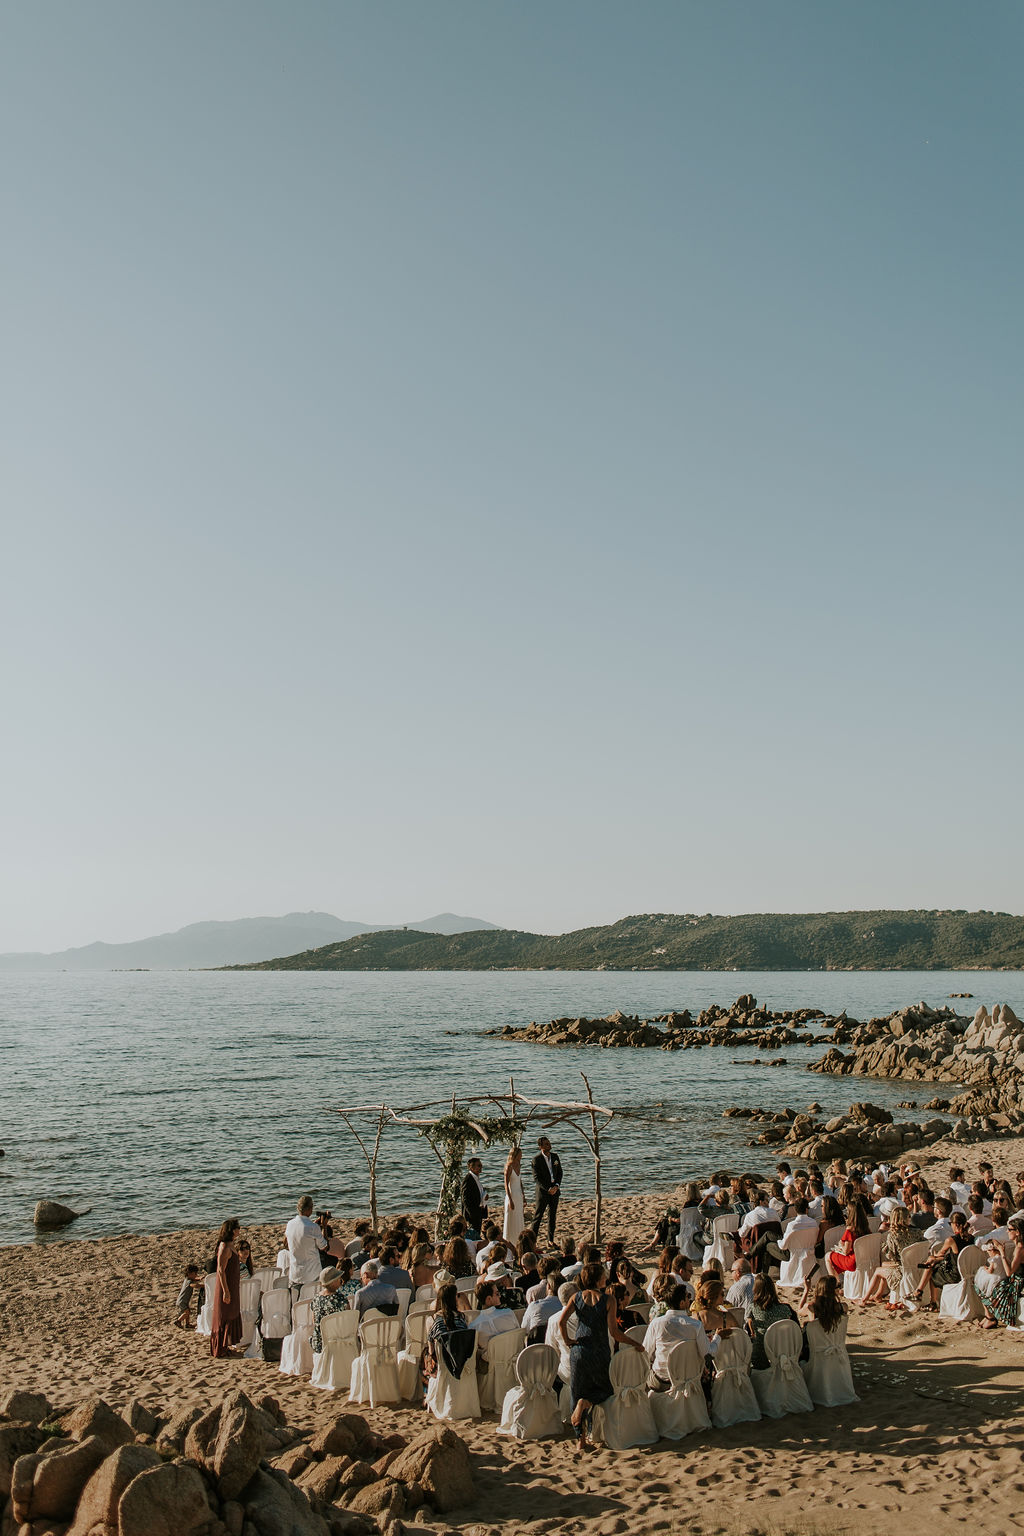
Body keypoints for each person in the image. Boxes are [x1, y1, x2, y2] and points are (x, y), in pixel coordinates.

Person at [558, 1261, 644, 1456]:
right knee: (604, 1390)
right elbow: (615, 1333)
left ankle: (580, 1440)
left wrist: (568, 1341)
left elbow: (562, 1322)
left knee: (577, 1390)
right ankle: (585, 1404)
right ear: (598, 1279)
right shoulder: (608, 1300)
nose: (607, 1277)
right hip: (599, 1350)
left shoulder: (576, 1297)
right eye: (604, 1275)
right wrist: (634, 1343)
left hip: (579, 1350)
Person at [643, 1283, 712, 1385]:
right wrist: (718, 1338)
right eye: (688, 1296)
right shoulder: (696, 1325)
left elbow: (645, 1352)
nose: (690, 1299)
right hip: (689, 1380)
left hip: (661, 1380)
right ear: (682, 1303)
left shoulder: (656, 1323)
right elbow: (706, 1353)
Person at [858, 1203, 917, 1308]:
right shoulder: (916, 1231)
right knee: (884, 1266)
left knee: (878, 1270)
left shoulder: (893, 1235)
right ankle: (878, 1295)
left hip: (901, 1268)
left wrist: (884, 1247)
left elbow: (892, 1257)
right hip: (916, 1265)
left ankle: (864, 1299)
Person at [913, 1210, 972, 1308]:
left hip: (955, 1274)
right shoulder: (971, 1238)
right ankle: (922, 1294)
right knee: (933, 1263)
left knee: (932, 1268)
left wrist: (934, 1257)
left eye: (950, 1224)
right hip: (967, 1271)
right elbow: (958, 1257)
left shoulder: (951, 1240)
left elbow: (940, 1253)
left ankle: (923, 1295)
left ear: (955, 1224)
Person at [746, 1273, 798, 1370]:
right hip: (781, 1352)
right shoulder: (786, 1309)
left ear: (755, 1289)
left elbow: (750, 1330)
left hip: (761, 1354)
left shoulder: (753, 1308)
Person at [981, 1218, 1024, 1329]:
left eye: (1010, 1230)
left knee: (987, 1289)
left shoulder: (1020, 1248)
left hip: (1017, 1282)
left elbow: (1009, 1272)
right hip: (1017, 1278)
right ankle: (989, 1317)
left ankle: (990, 1318)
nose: (1007, 1232)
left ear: (1017, 1232)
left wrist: (1002, 1252)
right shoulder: (1018, 1245)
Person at [210, 1218, 243, 1358]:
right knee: (224, 1315)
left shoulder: (230, 1245)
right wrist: (226, 1291)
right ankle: (220, 1348)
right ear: (231, 1230)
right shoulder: (224, 1246)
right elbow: (220, 1270)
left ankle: (225, 1346)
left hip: (232, 1284)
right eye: (237, 1228)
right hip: (227, 1285)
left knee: (231, 1313)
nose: (239, 1230)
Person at [285, 1196, 327, 1292]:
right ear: (310, 1209)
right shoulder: (313, 1227)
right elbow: (324, 1247)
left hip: (295, 1272)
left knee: (295, 1302)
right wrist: (323, 1227)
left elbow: (287, 1243)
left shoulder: (290, 1224)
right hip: (312, 1273)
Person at [470, 1277, 518, 1357]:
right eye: (497, 1294)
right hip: (514, 1358)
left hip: (493, 1365)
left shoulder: (474, 1326)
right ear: (489, 1299)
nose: (499, 1296)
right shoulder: (508, 1313)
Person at [310, 1265, 351, 1353]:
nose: (341, 1280)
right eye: (339, 1278)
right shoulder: (340, 1299)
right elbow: (349, 1318)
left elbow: (314, 1321)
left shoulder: (316, 1298)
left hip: (319, 1342)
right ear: (333, 1282)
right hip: (337, 1341)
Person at [531, 1136, 563, 1243]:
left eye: (549, 1143)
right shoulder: (537, 1160)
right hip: (543, 1192)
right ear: (540, 1147)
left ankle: (550, 1240)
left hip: (554, 1190)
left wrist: (556, 1186)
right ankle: (533, 1240)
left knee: (552, 1216)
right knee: (538, 1216)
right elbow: (537, 1178)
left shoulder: (555, 1157)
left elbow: (560, 1173)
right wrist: (548, 1188)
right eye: (546, 1144)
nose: (549, 1145)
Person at [503, 1146, 525, 1245]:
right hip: (511, 1195)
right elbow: (506, 1184)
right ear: (515, 1154)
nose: (521, 1156)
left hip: (518, 1194)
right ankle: (509, 1240)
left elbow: (520, 1181)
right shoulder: (509, 1166)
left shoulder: (519, 1164)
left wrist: (523, 1195)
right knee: (511, 1218)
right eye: (520, 1154)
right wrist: (510, 1199)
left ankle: (518, 1239)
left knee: (519, 1217)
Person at [461, 1157, 487, 1236]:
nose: (480, 1167)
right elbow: (465, 1199)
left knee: (477, 1233)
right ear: (471, 1167)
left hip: (478, 1211)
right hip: (473, 1214)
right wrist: (472, 1215)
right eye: (478, 1166)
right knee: (473, 1234)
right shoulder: (468, 1180)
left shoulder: (476, 1178)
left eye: (481, 1165)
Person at [174, 1263, 203, 1328]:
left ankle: (187, 1324)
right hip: (182, 1301)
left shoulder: (187, 1279)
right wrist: (203, 1286)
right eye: (195, 1274)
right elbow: (195, 1285)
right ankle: (178, 1321)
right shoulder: (189, 1282)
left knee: (188, 1312)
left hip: (183, 1301)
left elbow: (195, 1279)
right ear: (189, 1274)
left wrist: (199, 1278)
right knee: (186, 1312)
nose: (196, 1275)